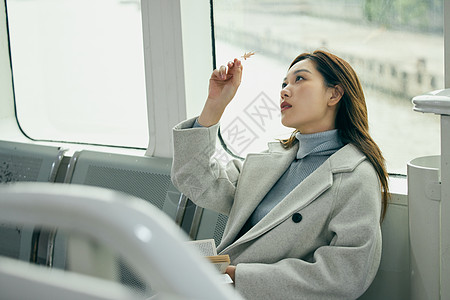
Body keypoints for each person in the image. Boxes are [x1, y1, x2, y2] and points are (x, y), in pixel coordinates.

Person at [171, 50, 389, 300]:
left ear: (334, 93)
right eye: (284, 83)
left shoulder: (355, 175)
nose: (285, 90)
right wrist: (215, 104)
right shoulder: (268, 162)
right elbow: (191, 177)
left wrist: (235, 277)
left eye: (299, 80)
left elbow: (345, 275)